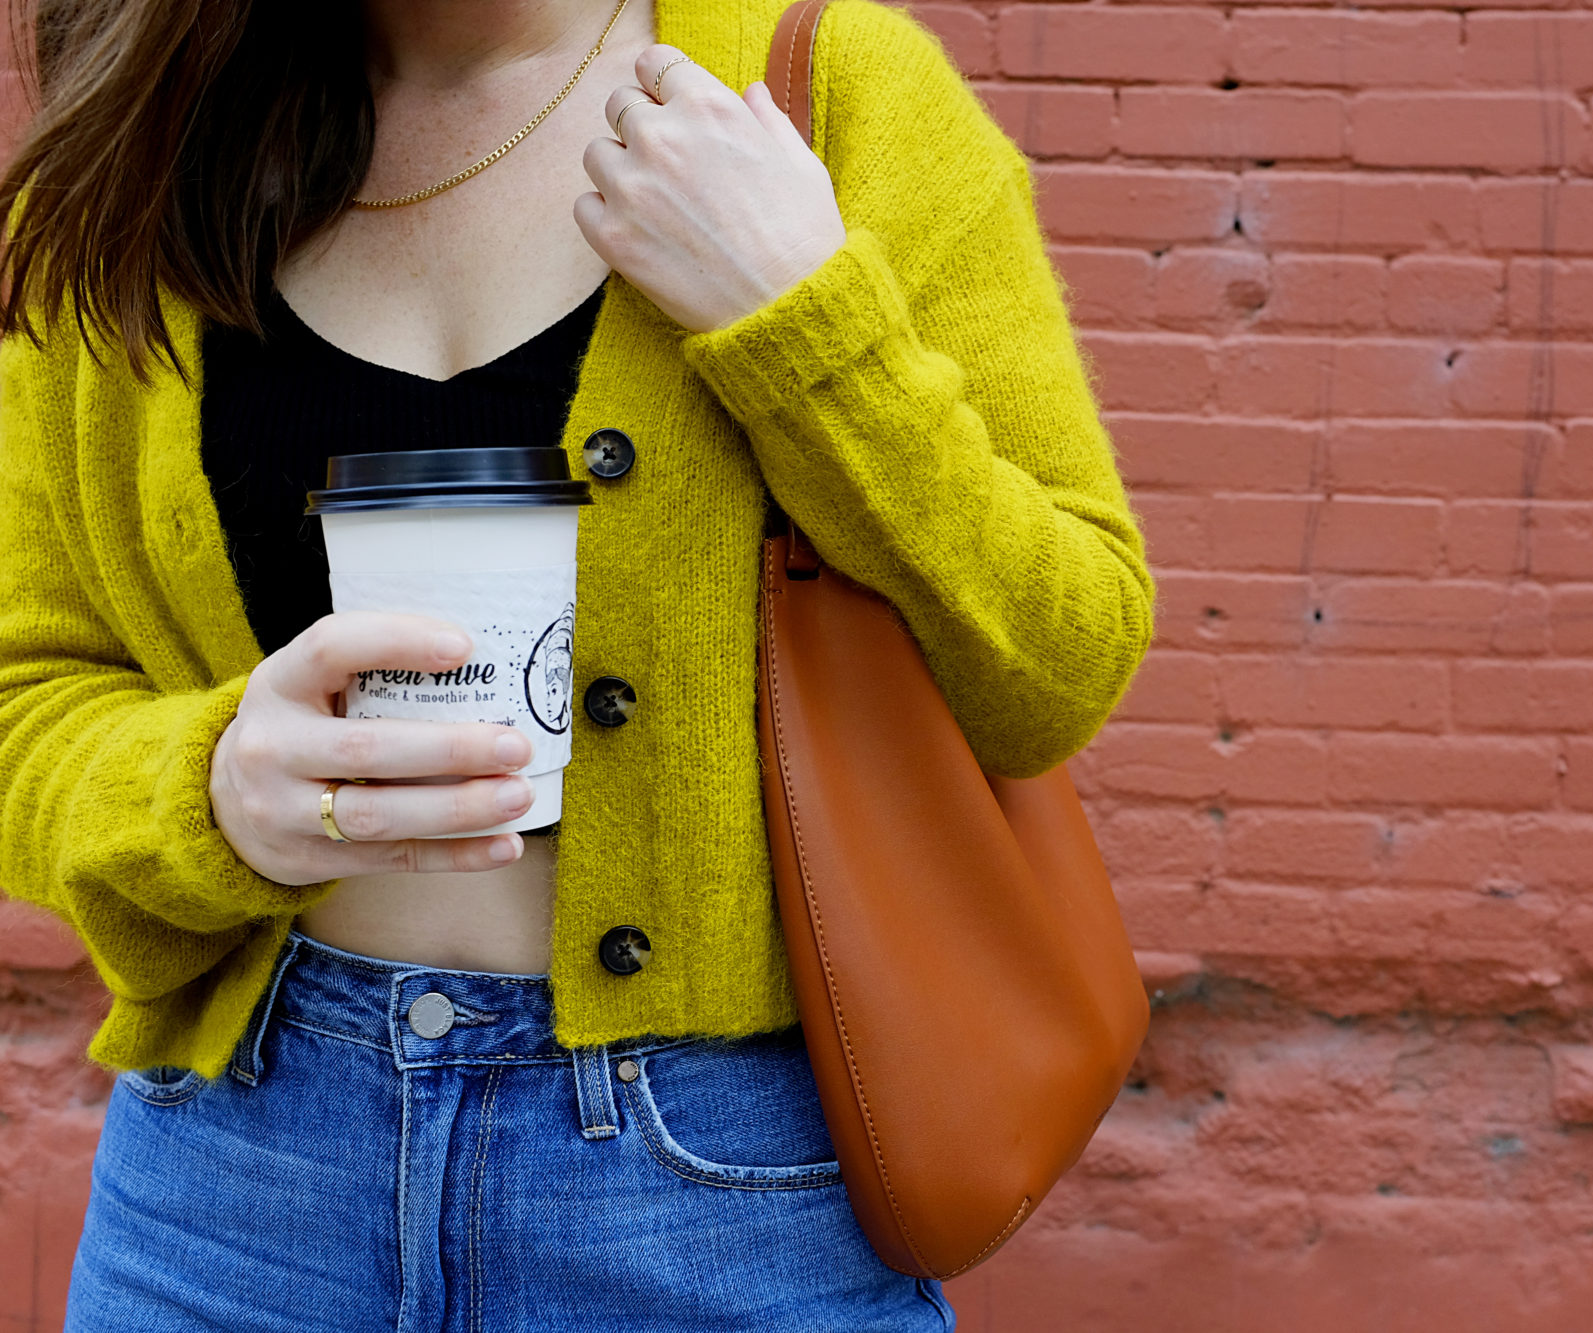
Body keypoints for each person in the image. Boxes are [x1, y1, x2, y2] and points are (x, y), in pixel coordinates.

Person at [0, 0, 1153, 1324]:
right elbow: (23, 694)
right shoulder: (143, 146)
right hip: (236, 1188)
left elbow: (1061, 656)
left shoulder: (826, 103)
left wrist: (804, 325)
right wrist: (210, 792)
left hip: (716, 1189)